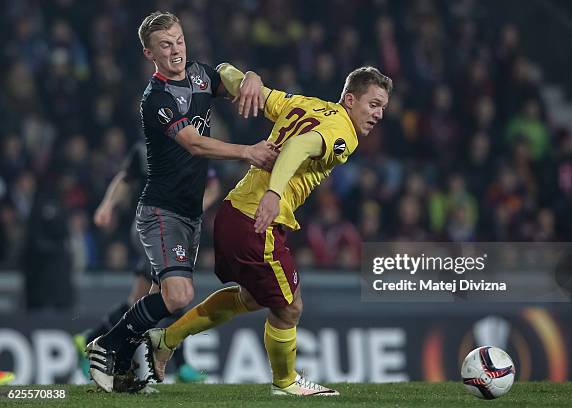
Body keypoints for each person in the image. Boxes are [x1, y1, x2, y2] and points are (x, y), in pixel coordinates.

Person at [144, 65, 392, 396]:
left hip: (235, 212)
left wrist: (238, 74)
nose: (378, 114)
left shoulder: (306, 104)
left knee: (250, 298)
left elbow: (244, 88)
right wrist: (274, 193)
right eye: (373, 104)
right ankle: (285, 382)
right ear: (350, 99)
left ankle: (166, 339)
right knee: (289, 306)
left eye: (383, 108)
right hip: (256, 220)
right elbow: (297, 149)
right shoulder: (342, 132)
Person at [86, 11, 277, 393]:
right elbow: (193, 141)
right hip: (161, 211)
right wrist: (247, 152)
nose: (175, 51)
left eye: (179, 41)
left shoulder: (200, 75)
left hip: (189, 214)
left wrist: (252, 76)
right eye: (165, 45)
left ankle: (122, 367)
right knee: (179, 296)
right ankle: (105, 345)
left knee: (159, 297)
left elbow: (232, 82)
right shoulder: (155, 98)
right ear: (148, 54)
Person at [74, 141, 219, 383]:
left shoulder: (194, 145)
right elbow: (124, 180)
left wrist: (194, 207)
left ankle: (92, 337)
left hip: (175, 228)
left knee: (140, 299)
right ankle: (182, 365)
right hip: (151, 227)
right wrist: (107, 205)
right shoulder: (143, 149)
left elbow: (213, 187)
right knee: (173, 291)